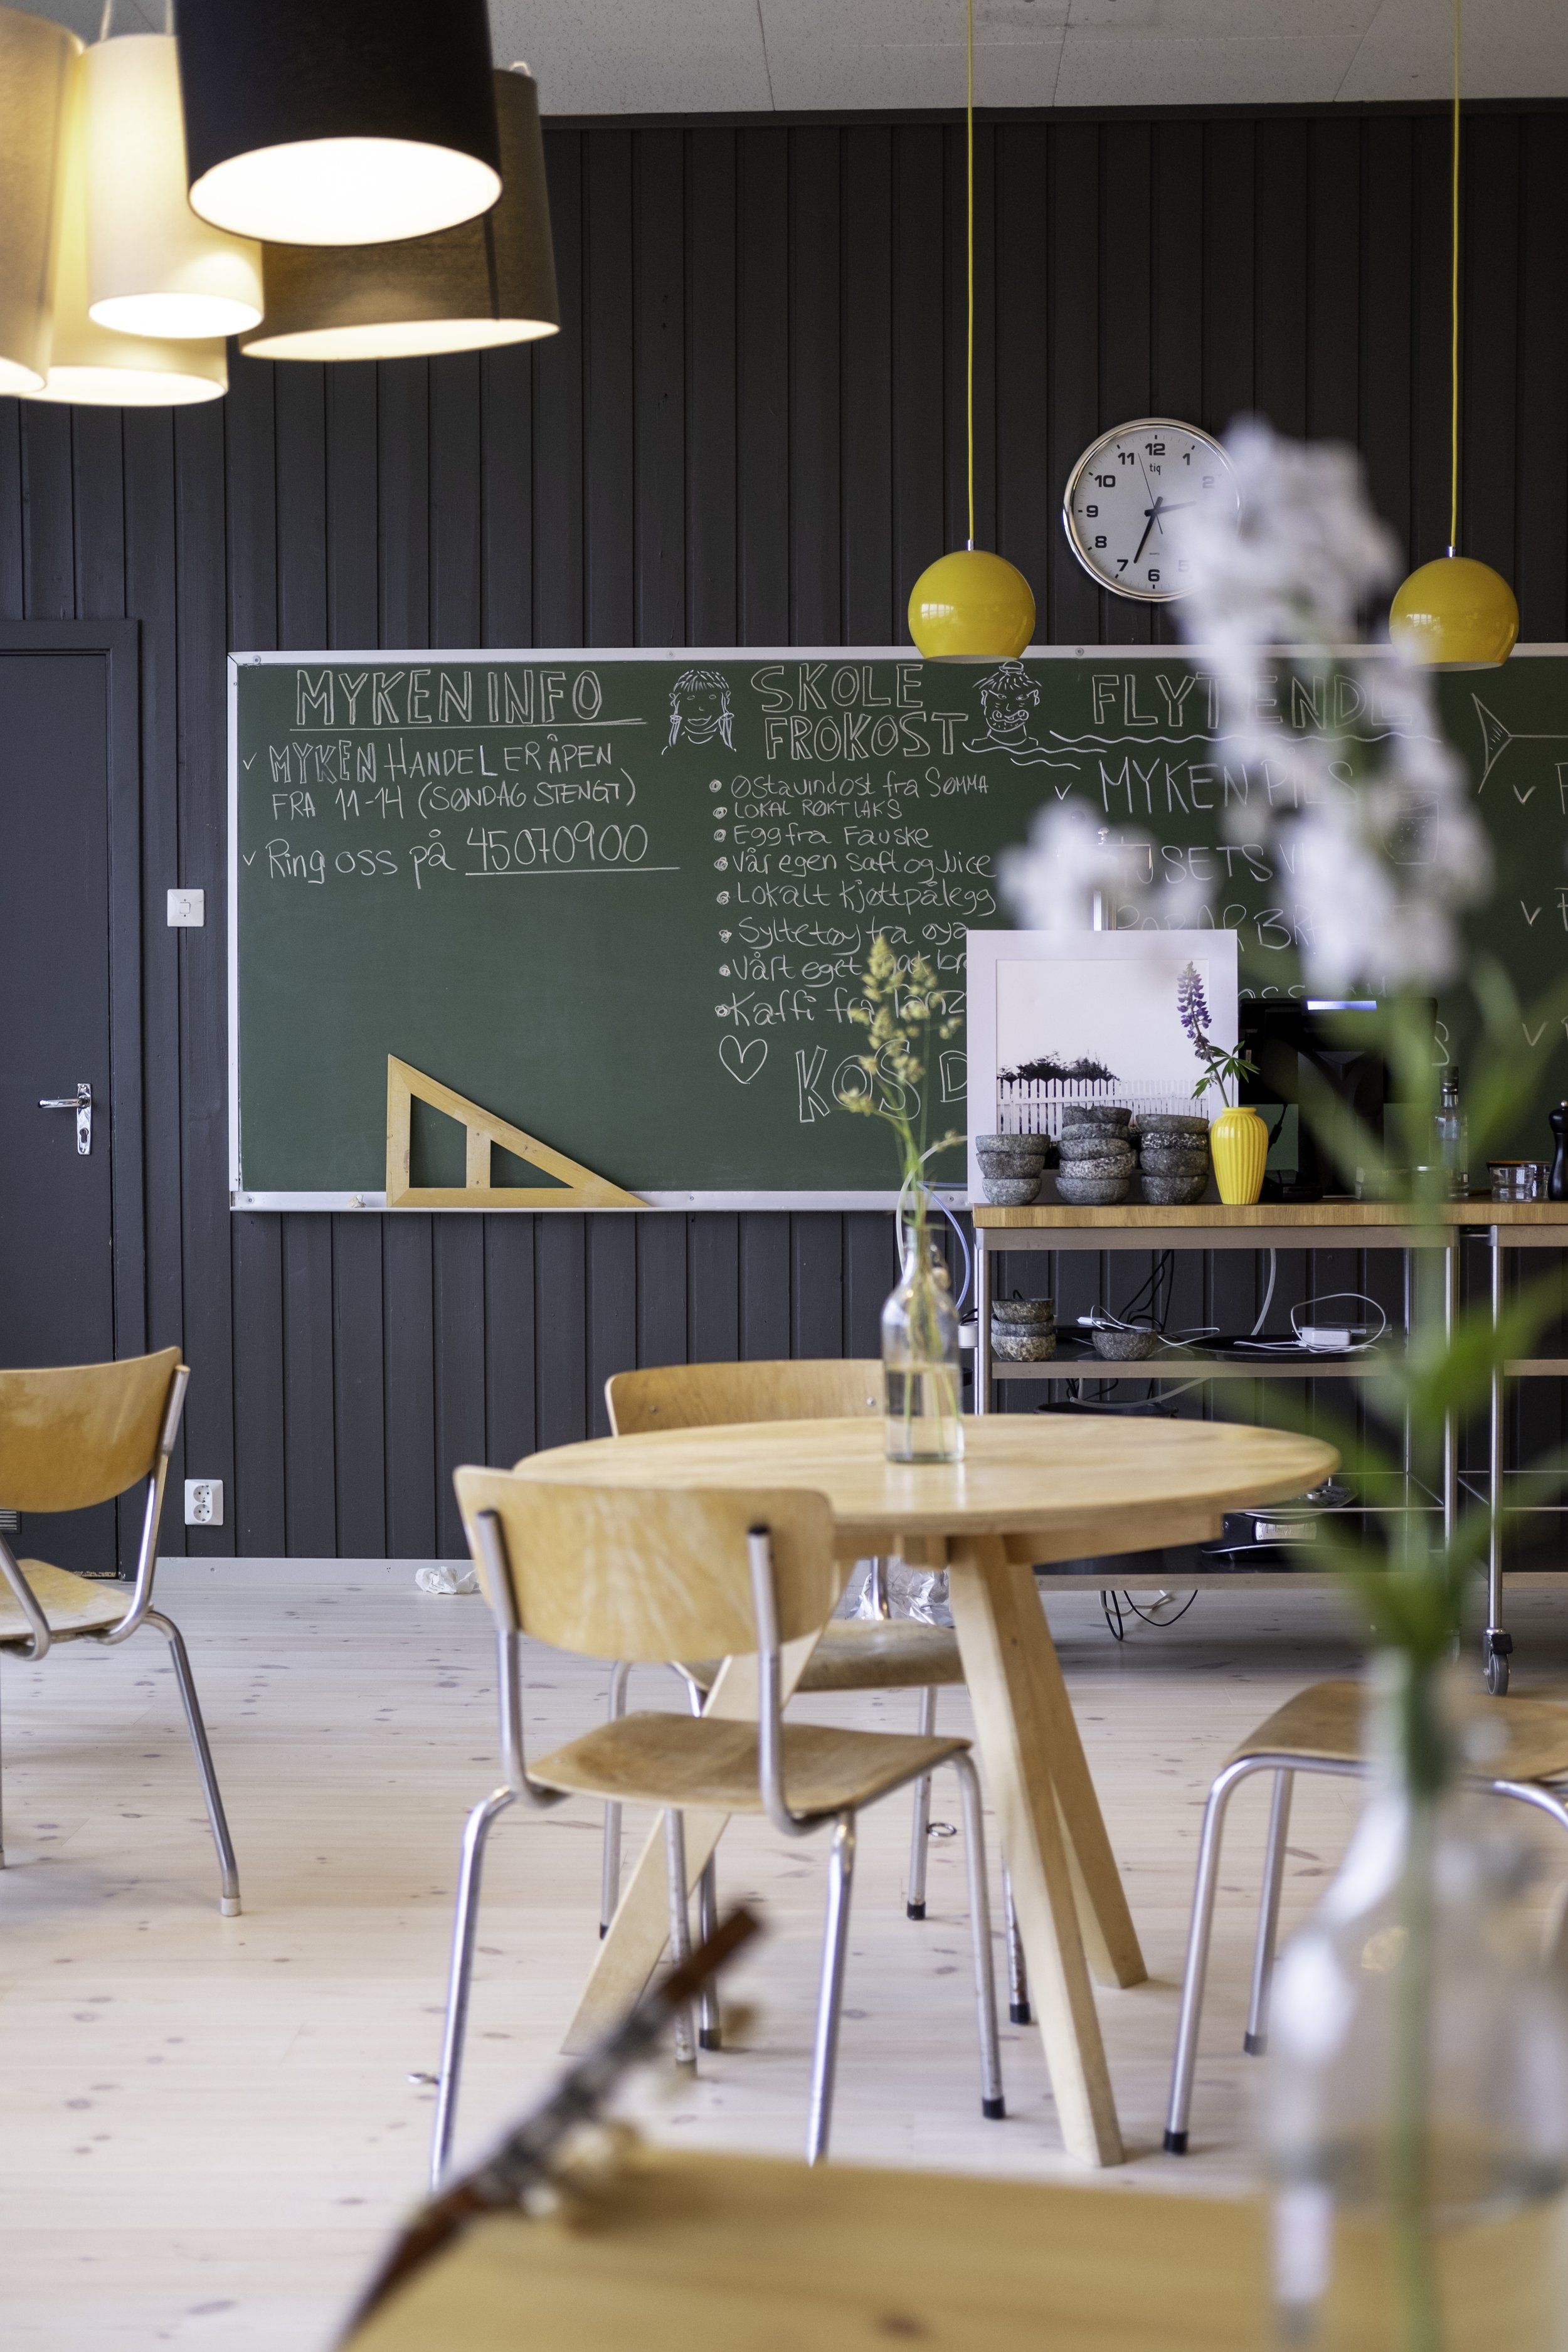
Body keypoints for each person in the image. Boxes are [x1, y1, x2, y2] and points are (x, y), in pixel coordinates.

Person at [665, 667, 734, 751]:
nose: (700, 708)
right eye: (690, 698)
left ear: (726, 698)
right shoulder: (670, 751)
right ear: (675, 700)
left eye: (711, 697)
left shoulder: (731, 750)